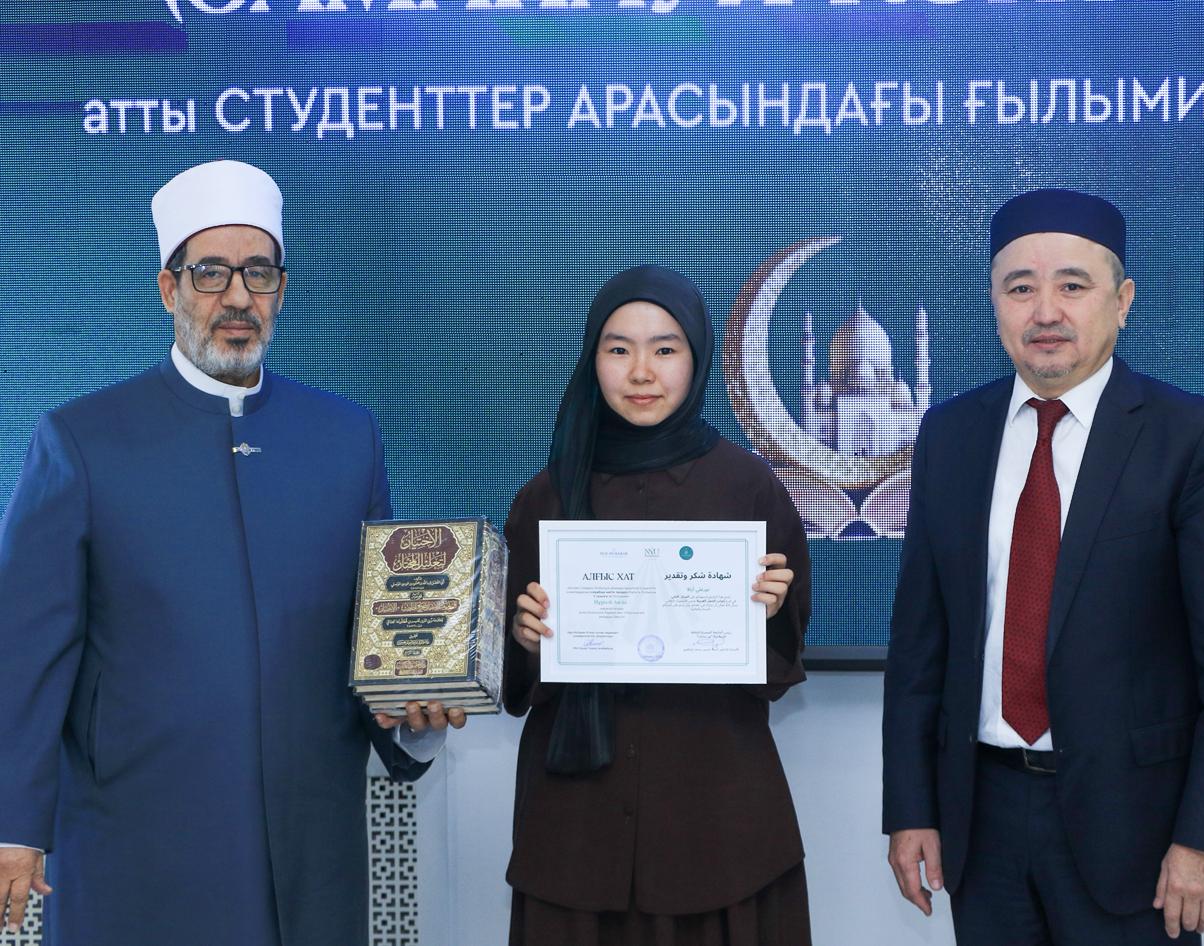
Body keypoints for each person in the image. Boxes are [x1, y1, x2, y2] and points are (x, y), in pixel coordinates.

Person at [0, 160, 464, 946]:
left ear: (281, 289)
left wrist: (414, 718)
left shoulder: (346, 437)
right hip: (132, 832)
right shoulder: (81, 439)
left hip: (310, 836)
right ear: (169, 289)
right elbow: (25, 651)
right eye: (211, 272)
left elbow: (376, 635)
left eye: (259, 273)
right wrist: (14, 821)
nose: (238, 297)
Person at [882, 187, 1204, 944]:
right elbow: (919, 646)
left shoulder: (1194, 439)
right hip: (979, 821)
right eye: (1019, 288)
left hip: (1138, 829)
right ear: (994, 304)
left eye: (1072, 285)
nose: (1045, 312)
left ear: (1122, 302)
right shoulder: (950, 434)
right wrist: (911, 806)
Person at [502, 265, 812, 946]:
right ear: (593, 360)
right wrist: (524, 640)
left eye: (665, 349)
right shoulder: (545, 497)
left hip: (718, 833)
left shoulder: (749, 487)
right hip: (576, 836)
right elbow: (515, 678)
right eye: (618, 349)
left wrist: (765, 614)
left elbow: (781, 665)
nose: (641, 371)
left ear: (696, 358)